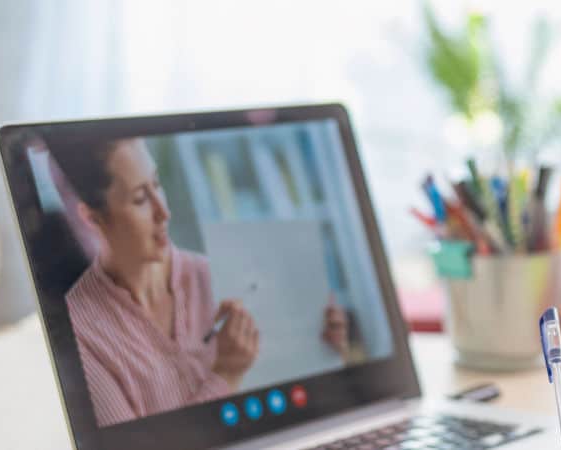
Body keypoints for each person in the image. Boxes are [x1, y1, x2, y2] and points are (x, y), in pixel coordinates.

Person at [54, 137, 351, 426]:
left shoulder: (218, 275)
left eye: (157, 184)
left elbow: (295, 402)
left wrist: (323, 352)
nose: (164, 212)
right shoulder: (80, 334)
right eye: (141, 199)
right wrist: (225, 375)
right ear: (93, 218)